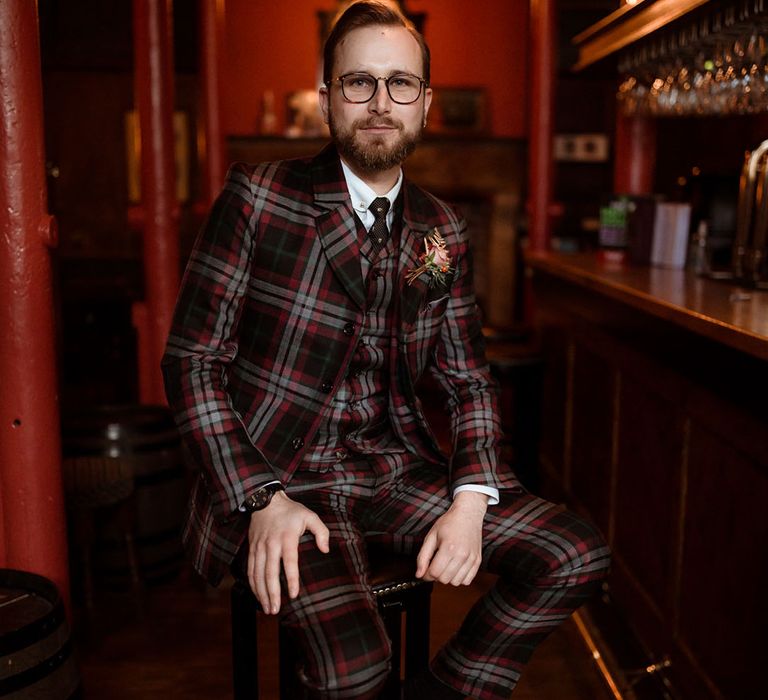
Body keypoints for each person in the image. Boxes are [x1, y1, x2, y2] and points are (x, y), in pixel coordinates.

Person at [162, 2, 610, 698]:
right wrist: (261, 499)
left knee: (574, 555)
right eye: (358, 82)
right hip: (283, 477)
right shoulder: (259, 196)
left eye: (401, 83)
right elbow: (192, 361)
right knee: (357, 667)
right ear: (327, 99)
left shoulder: (442, 230)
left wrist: (468, 497)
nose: (380, 102)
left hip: (393, 469)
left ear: (425, 104)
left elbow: (467, 379)